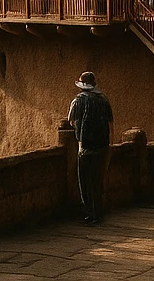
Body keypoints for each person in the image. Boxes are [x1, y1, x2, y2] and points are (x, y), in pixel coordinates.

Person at [68, 71, 113, 224]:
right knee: (97, 180)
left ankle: (89, 212)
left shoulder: (77, 101)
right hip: (102, 147)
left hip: (84, 147)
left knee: (85, 181)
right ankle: (98, 213)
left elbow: (71, 121)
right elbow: (110, 125)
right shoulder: (104, 101)